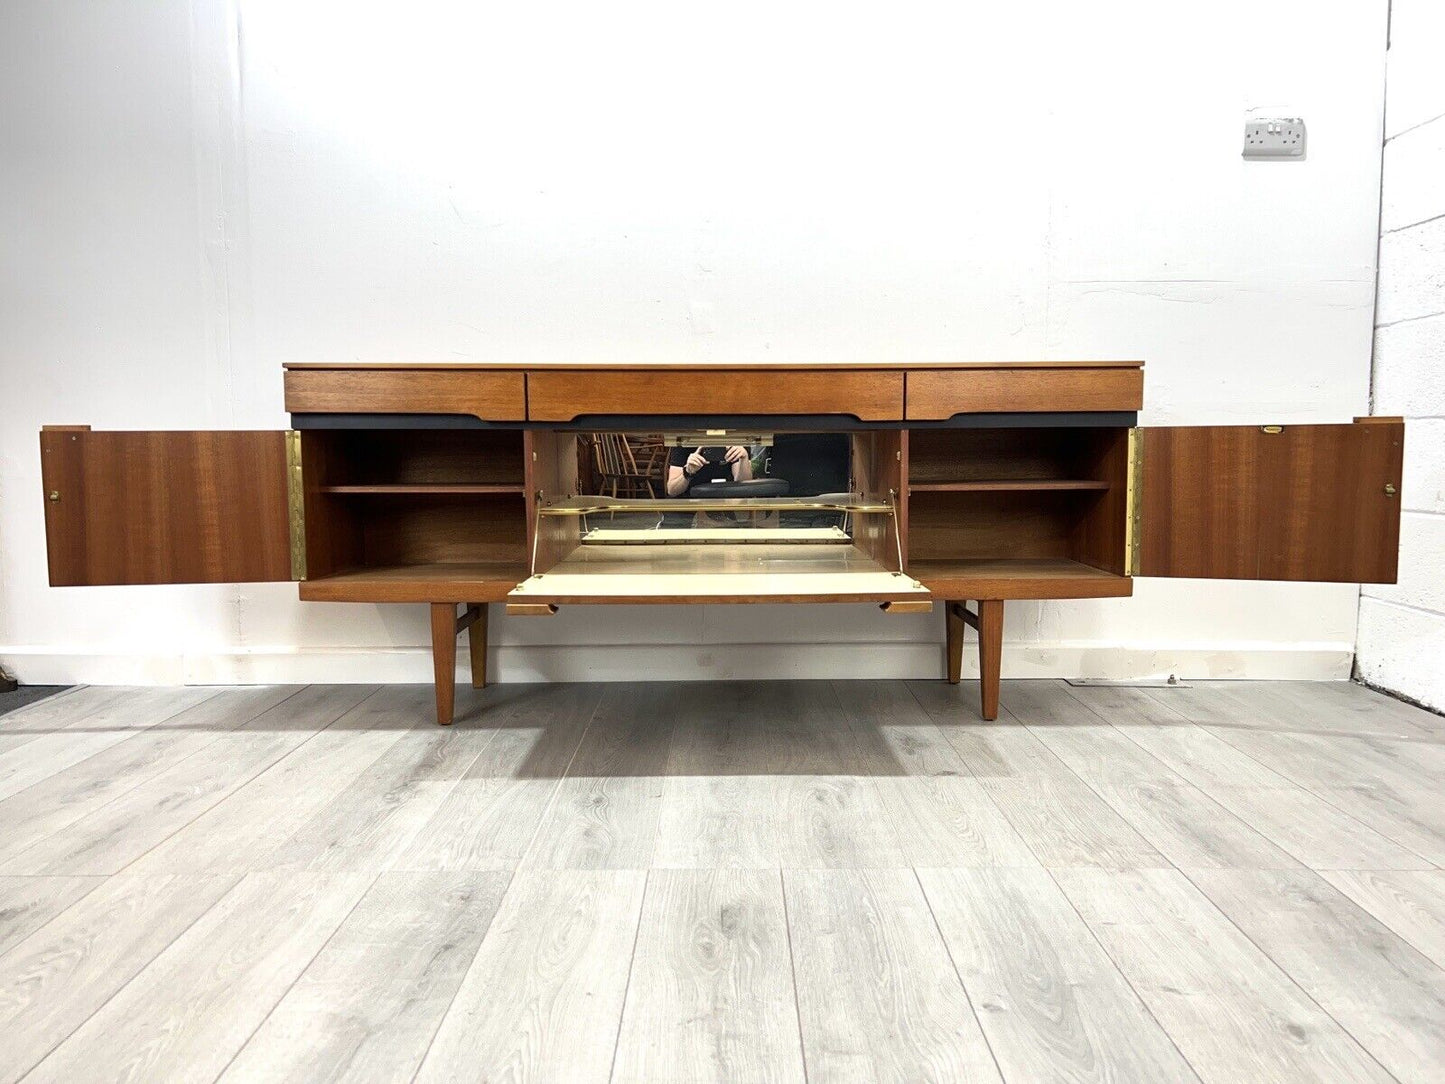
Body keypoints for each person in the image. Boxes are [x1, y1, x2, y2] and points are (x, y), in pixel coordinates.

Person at [665, 445, 752, 497]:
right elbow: (672, 490)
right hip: (687, 501)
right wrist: (688, 471)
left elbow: (744, 486)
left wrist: (743, 459)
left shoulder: (737, 438)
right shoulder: (685, 439)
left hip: (723, 501)